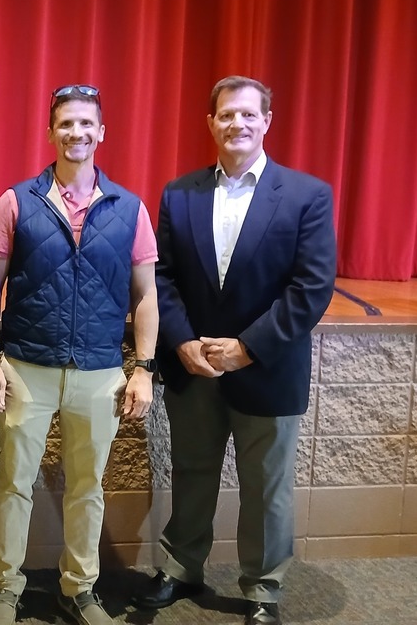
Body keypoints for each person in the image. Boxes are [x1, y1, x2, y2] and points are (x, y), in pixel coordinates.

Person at [130, 76, 337, 625]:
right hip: (194, 364)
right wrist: (181, 342)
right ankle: (180, 568)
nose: (237, 124)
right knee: (192, 470)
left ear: (267, 121)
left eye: (248, 114)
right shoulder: (179, 193)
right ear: (211, 123)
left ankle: (263, 587)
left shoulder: (307, 195)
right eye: (226, 115)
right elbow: (163, 279)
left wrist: (248, 347)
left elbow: (311, 288)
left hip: (268, 367)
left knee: (266, 486)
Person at [0, 84, 159, 625]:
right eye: (65, 124)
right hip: (27, 367)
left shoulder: (130, 208)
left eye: (86, 124)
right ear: (50, 131)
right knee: (13, 483)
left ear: (102, 132)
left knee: (88, 487)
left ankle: (79, 588)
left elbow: (146, 294)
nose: (76, 133)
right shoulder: (16, 201)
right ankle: (4, 589)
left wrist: (143, 370)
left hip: (100, 371)